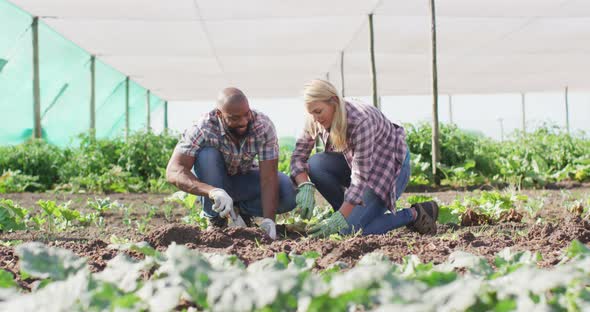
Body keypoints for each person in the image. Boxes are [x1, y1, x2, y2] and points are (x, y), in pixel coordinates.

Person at [290, 79, 439, 238]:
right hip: (356, 165)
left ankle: (414, 214)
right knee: (316, 164)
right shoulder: (315, 117)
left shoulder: (361, 120)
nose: (314, 119)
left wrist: (342, 218)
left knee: (349, 231)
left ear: (334, 101)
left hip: (389, 169)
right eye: (311, 113)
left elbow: (359, 179)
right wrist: (304, 185)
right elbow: (298, 157)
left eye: (318, 112)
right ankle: (351, 216)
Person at [166, 87, 296, 240]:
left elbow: (268, 177)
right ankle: (216, 220)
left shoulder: (262, 125)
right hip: (214, 182)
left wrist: (269, 221)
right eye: (235, 118)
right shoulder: (203, 128)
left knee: (287, 192)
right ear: (220, 114)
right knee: (207, 155)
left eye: (246, 114)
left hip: (243, 181)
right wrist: (212, 192)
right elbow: (174, 170)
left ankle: (242, 212)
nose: (243, 122)